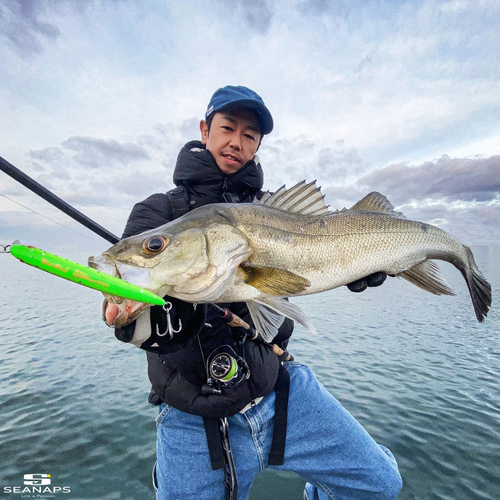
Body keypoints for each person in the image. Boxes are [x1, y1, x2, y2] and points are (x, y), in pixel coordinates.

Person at [115, 85, 402, 500]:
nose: (237, 141)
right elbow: (128, 302)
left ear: (258, 145)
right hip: (192, 414)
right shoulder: (157, 214)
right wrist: (132, 314)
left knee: (377, 484)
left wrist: (357, 264)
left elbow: (297, 274)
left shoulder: (274, 211)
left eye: (250, 135)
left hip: (277, 386)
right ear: (204, 129)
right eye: (227, 127)